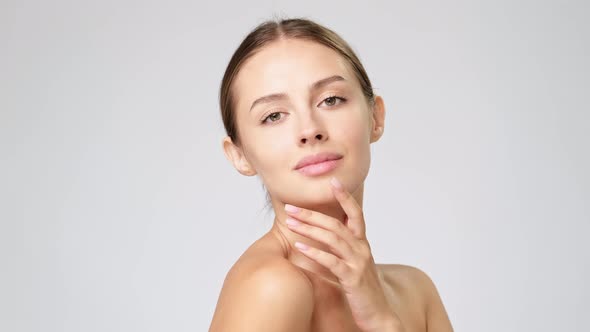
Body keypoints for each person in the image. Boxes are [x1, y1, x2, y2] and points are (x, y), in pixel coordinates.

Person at [209, 17, 454, 332]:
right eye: (273, 116)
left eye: (330, 100)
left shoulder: (416, 292)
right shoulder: (272, 288)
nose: (310, 130)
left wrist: (383, 321)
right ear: (239, 155)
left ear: (375, 116)